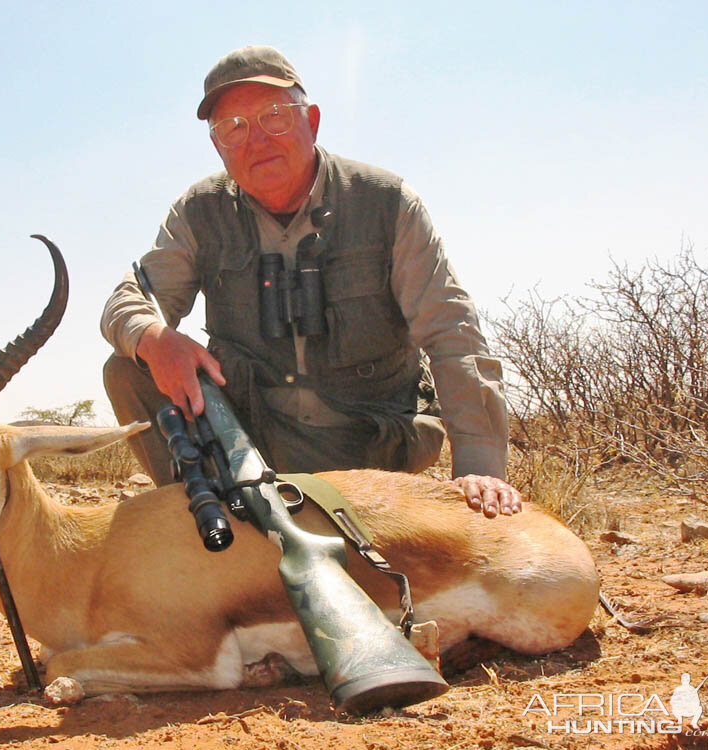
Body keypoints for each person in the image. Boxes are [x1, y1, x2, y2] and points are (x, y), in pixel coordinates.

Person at [101, 45, 521, 517]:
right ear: (218, 146)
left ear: (312, 120)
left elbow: (453, 333)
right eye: (232, 128)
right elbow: (129, 298)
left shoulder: (387, 202)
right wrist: (156, 338)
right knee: (129, 365)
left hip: (372, 437)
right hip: (256, 436)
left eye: (273, 117)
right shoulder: (199, 210)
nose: (255, 140)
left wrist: (480, 465)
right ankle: (211, 515)